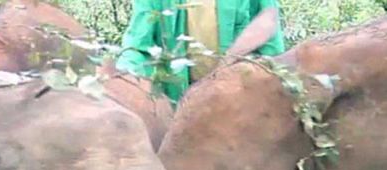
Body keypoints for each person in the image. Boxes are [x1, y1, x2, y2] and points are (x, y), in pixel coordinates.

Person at [116, 0, 285, 102]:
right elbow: (137, 45)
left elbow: (270, 48)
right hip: (176, 100)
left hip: (237, 99)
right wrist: (122, 81)